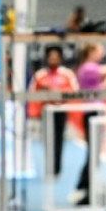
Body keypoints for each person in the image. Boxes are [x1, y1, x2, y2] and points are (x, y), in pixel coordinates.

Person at [70, 42, 106, 205]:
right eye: (99, 49)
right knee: (93, 154)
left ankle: (86, 187)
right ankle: (82, 187)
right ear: (91, 52)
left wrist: (105, 85)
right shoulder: (88, 67)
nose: (102, 53)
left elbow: (96, 89)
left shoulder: (89, 68)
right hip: (92, 114)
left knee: (95, 155)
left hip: (95, 112)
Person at [27, 45, 79, 177]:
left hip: (61, 111)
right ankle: (49, 167)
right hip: (45, 112)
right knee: (47, 139)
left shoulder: (67, 74)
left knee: (59, 140)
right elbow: (32, 93)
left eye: (56, 57)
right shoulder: (40, 75)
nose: (54, 59)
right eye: (51, 57)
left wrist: (59, 94)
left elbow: (74, 91)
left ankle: (57, 169)